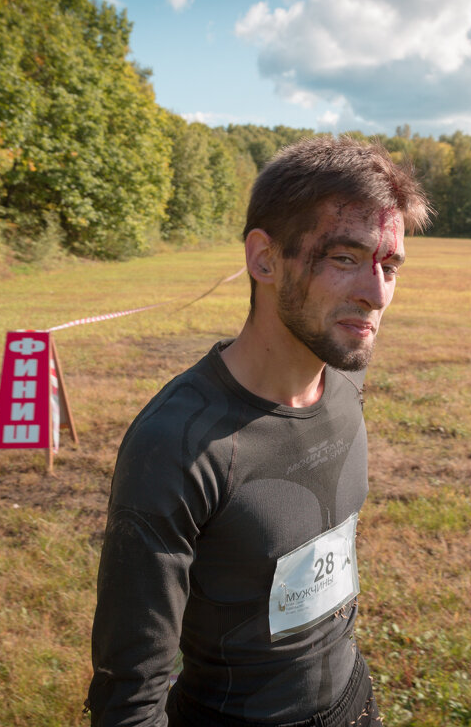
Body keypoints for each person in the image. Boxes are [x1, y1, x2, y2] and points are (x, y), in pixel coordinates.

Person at [84, 136, 431, 727]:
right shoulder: (178, 445)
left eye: (389, 266)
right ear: (264, 258)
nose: (375, 295)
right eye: (344, 258)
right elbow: (130, 699)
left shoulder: (346, 378)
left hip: (354, 702)